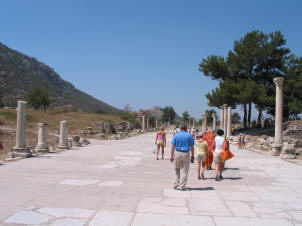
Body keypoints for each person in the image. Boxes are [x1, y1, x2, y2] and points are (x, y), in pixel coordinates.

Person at [170, 125, 195, 191]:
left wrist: (171, 155)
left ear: (180, 129)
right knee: (185, 170)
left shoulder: (176, 135)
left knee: (177, 169)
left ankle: (176, 183)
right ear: (186, 129)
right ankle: (182, 186)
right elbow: (192, 147)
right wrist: (192, 156)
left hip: (177, 153)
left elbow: (173, 146)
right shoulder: (190, 136)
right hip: (186, 153)